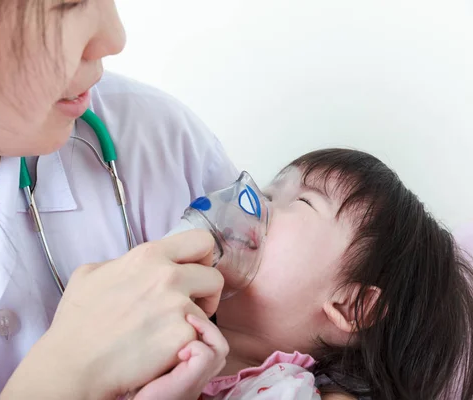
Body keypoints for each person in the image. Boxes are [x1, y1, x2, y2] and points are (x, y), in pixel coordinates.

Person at [0, 1, 239, 399]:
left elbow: (286, 345)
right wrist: (65, 378)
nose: (114, 38)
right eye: (65, 5)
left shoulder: (156, 136)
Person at [131, 149, 473, 400]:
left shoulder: (285, 393)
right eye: (268, 194)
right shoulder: (163, 322)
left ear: (350, 306)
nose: (254, 205)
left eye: (303, 202)